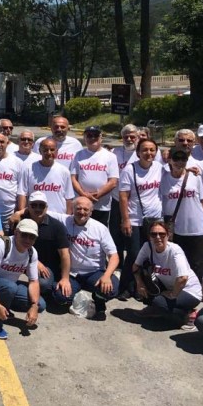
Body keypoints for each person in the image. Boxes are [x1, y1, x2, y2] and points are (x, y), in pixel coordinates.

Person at [0, 219, 46, 340]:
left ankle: (5, 307)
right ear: (16, 233)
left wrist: (34, 306)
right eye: (24, 235)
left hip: (6, 286)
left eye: (32, 237)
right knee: (10, 287)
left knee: (40, 304)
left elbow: (34, 281)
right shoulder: (1, 245)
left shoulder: (32, 252)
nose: (27, 240)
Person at [50, 197, 120, 321]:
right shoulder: (64, 220)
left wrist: (107, 276)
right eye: (78, 208)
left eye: (85, 209)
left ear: (91, 212)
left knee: (112, 289)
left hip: (94, 272)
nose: (81, 212)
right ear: (72, 209)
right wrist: (20, 212)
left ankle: (98, 299)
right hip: (71, 273)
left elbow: (114, 256)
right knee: (60, 297)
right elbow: (41, 212)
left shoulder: (100, 228)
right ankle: (74, 295)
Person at [133, 220, 203, 331]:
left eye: (162, 234)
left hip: (189, 291)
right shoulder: (148, 246)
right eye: (154, 234)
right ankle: (155, 309)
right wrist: (139, 283)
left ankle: (188, 315)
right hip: (169, 286)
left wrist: (173, 294)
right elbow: (136, 266)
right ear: (149, 236)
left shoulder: (175, 250)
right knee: (144, 278)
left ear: (168, 235)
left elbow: (183, 278)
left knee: (159, 303)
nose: (158, 237)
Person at [118, 138, 163, 300]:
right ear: (138, 153)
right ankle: (126, 287)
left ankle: (142, 287)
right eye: (144, 150)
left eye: (152, 150)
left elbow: (178, 170)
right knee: (134, 253)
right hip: (135, 218)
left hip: (155, 218)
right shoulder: (129, 170)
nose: (148, 153)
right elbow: (123, 196)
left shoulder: (160, 168)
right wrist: (125, 219)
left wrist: (192, 170)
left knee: (149, 255)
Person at [8, 192, 70, 298]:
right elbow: (12, 243)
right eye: (34, 205)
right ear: (28, 207)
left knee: (44, 284)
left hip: (46, 266)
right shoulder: (19, 221)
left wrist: (65, 279)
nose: (38, 208)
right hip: (21, 260)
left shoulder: (57, 226)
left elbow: (65, 254)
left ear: (46, 207)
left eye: (41, 205)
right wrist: (35, 261)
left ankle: (30, 293)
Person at [160, 148, 203, 279]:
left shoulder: (194, 177)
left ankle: (198, 288)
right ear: (170, 160)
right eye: (176, 159)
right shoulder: (163, 178)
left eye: (183, 159)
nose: (180, 162)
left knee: (198, 263)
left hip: (197, 227)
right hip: (177, 229)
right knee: (180, 263)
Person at [108, 124, 141, 277]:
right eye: (125, 136)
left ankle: (134, 265)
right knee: (116, 233)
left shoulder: (143, 152)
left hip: (135, 201)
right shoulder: (114, 153)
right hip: (116, 199)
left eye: (132, 136)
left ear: (138, 137)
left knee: (132, 234)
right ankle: (118, 263)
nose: (129, 139)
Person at [70, 126, 119, 225]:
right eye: (89, 135)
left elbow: (113, 182)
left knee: (99, 230)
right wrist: (84, 195)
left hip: (102, 205)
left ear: (101, 137)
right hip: (81, 204)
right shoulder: (78, 155)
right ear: (84, 138)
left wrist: (96, 196)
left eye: (95, 135)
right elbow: (73, 178)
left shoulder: (111, 156)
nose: (92, 138)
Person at [17, 138, 74, 214]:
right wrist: (22, 214)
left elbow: (69, 198)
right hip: (35, 215)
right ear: (40, 151)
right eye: (45, 150)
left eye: (52, 150)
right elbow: (22, 194)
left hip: (58, 215)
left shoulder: (64, 171)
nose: (49, 153)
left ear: (57, 151)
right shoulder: (29, 169)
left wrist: (67, 217)